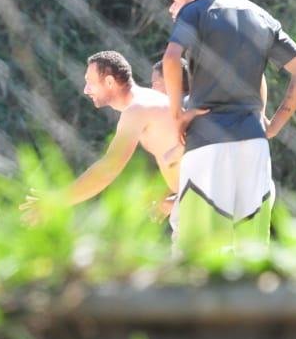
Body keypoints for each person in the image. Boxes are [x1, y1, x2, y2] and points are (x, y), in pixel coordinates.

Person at [162, 0, 296, 253]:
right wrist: (273, 125)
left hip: (207, 144)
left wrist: (177, 115)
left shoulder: (197, 10)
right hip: (254, 146)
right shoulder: (261, 17)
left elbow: (171, 58)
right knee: (249, 253)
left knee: (198, 256)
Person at [21, 51, 181, 222]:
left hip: (201, 194)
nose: (86, 90)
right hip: (196, 194)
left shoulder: (137, 109)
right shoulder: (149, 102)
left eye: (90, 82)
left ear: (110, 81)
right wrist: (176, 198)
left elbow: (109, 168)